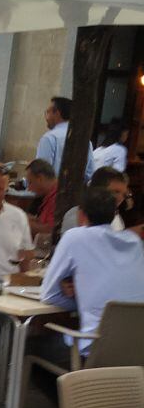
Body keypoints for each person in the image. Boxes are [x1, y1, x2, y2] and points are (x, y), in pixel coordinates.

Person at [36, 188, 144, 368]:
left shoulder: (75, 237)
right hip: (135, 352)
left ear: (81, 215)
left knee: (30, 347)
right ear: (114, 214)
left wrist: (79, 298)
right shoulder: (134, 242)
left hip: (94, 351)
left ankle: (76, 395)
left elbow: (48, 295)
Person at [36, 96, 94, 181]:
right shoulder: (86, 141)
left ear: (57, 113)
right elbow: (89, 173)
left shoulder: (49, 138)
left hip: (53, 192)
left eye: (48, 112)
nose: (46, 117)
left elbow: (41, 173)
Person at [61, 166, 129, 235]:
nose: (120, 198)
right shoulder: (74, 215)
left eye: (124, 194)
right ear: (98, 190)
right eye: (115, 192)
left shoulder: (117, 218)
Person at [24, 158, 58, 235]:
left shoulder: (57, 198)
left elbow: (50, 230)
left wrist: (21, 221)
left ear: (40, 178)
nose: (29, 189)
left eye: (30, 182)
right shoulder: (48, 195)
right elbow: (44, 221)